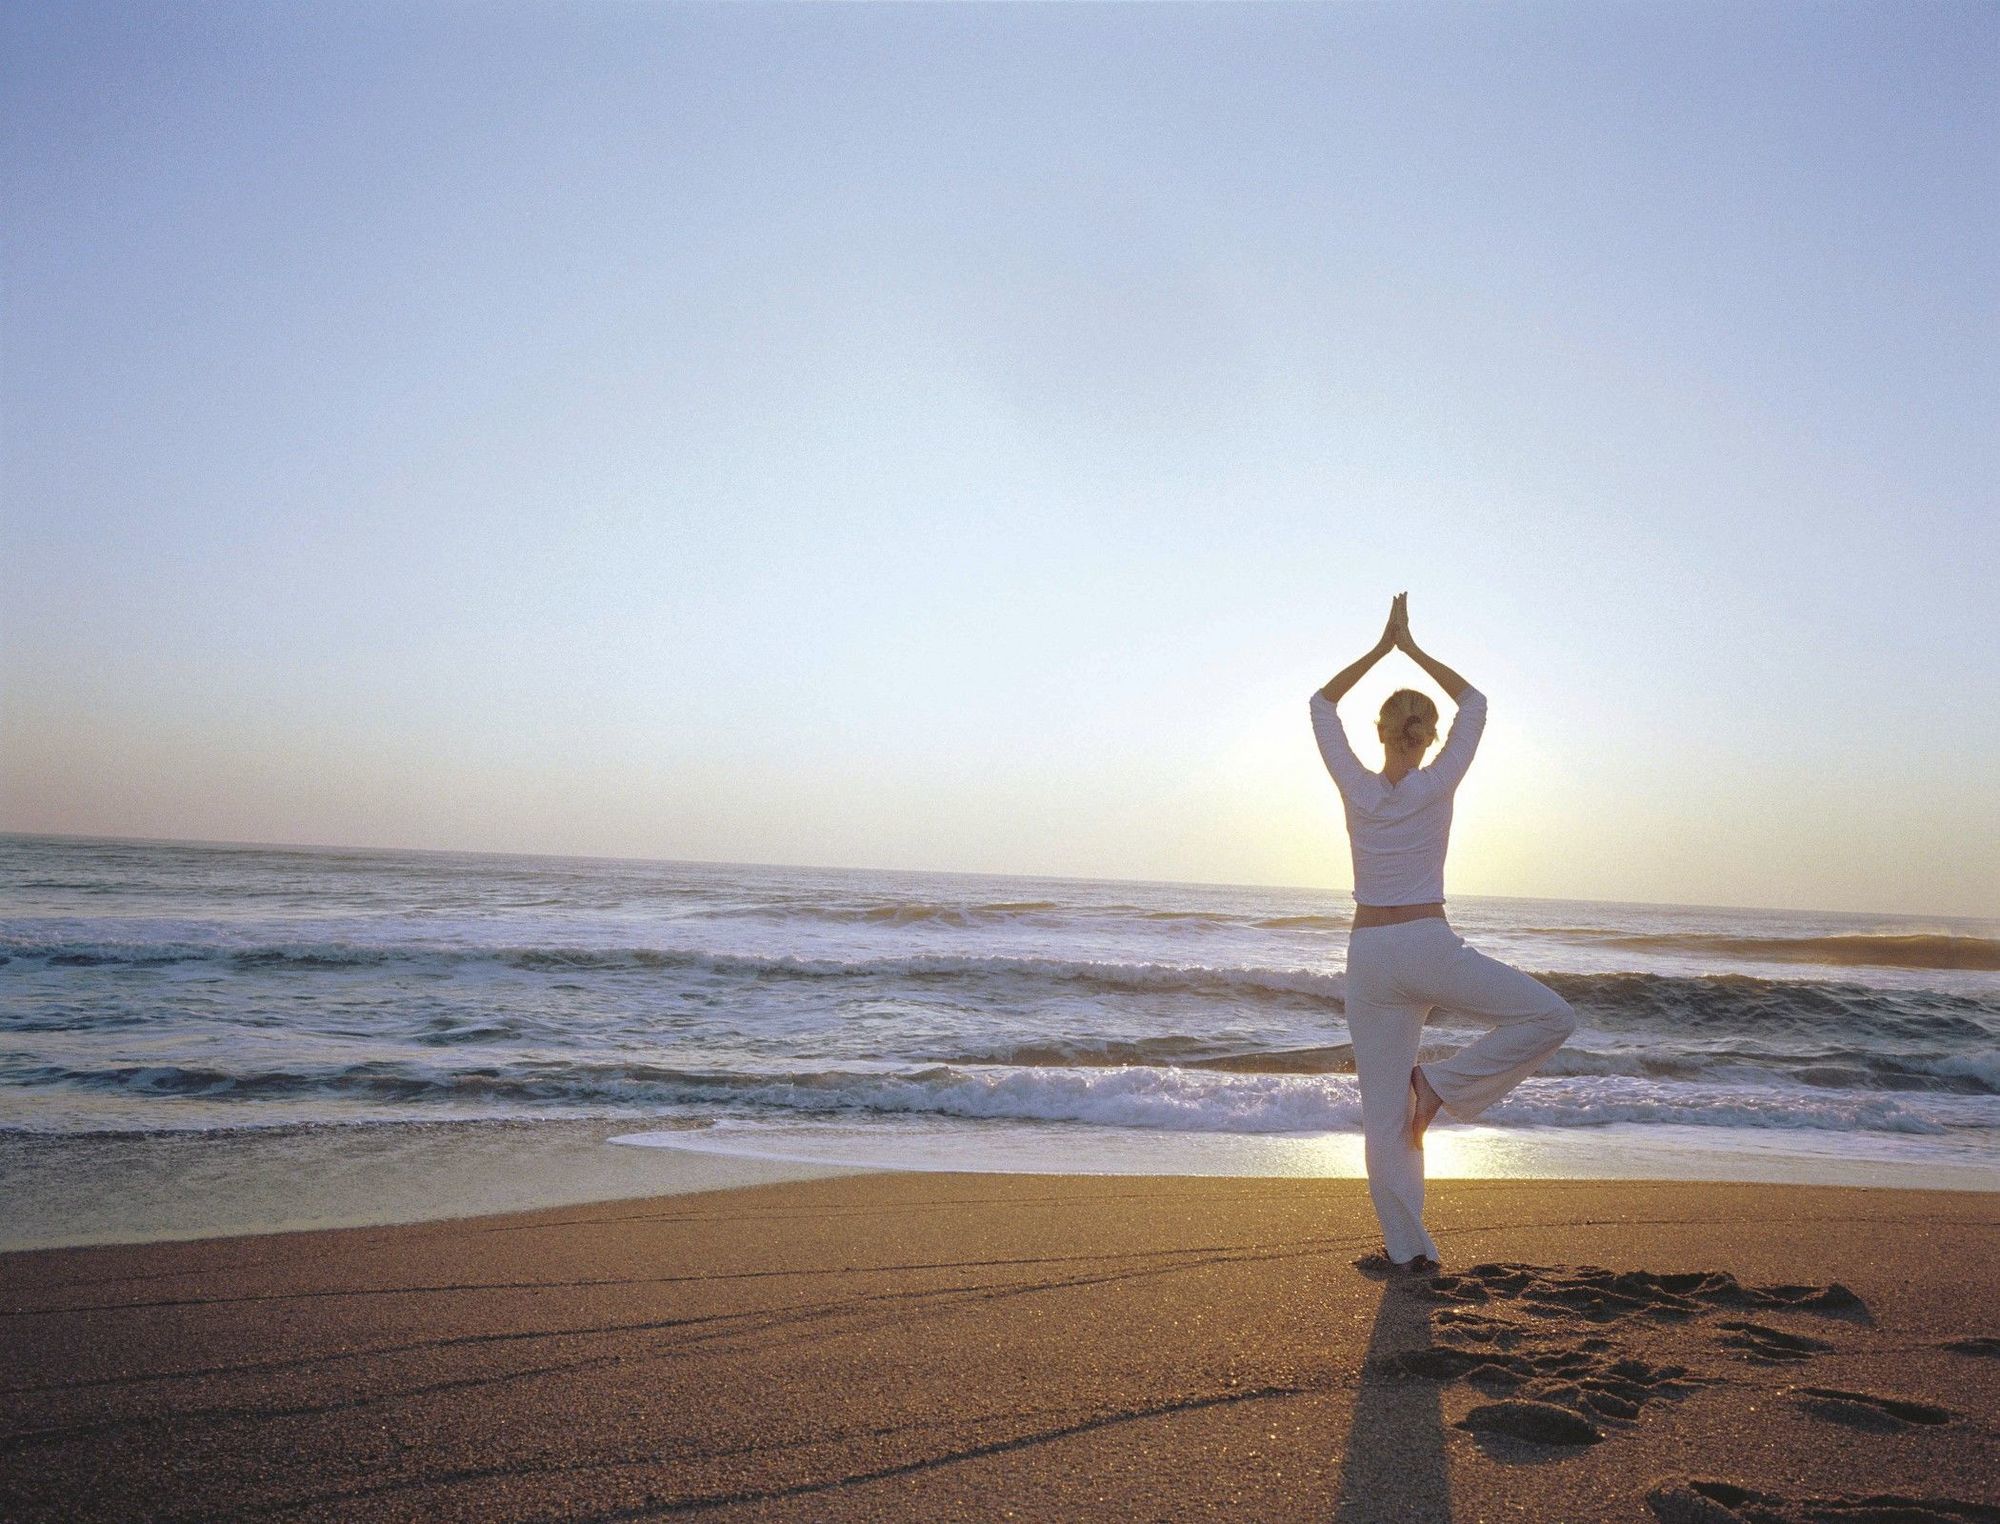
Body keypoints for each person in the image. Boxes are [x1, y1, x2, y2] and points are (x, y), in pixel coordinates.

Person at [1310, 592, 1576, 1273]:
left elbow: (1319, 705)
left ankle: (1406, 1251)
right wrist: (1414, 648)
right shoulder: (1439, 782)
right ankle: (1440, 1087)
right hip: (1428, 945)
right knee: (1549, 1016)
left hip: (1369, 957)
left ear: (1380, 730)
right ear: (1427, 735)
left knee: (1382, 1116)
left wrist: (1382, 647)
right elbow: (1477, 703)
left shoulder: (1357, 787)